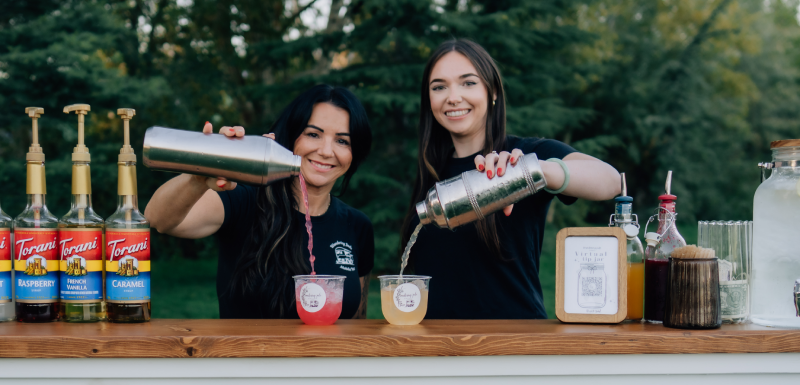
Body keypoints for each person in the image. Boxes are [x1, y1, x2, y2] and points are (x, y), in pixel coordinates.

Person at [402, 39, 621, 319]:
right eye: (439, 87)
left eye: (468, 83)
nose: (453, 96)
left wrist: (534, 172)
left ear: (492, 91)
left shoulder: (525, 156)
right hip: (439, 351)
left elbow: (610, 180)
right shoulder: (431, 172)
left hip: (514, 347)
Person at [145, 85, 374, 319]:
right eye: (313, 134)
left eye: (342, 141)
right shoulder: (243, 199)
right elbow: (158, 219)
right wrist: (204, 172)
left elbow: (357, 323)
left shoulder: (356, 226)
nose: (326, 151)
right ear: (291, 135)